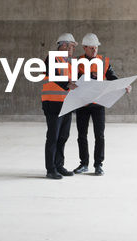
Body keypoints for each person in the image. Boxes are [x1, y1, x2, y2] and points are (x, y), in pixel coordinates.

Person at [71, 32, 125, 176]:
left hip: (98, 104)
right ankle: (84, 164)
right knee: (82, 135)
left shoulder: (103, 61)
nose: (94, 50)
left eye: (96, 47)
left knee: (99, 135)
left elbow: (113, 78)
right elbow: (73, 81)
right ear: (84, 48)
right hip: (82, 104)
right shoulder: (76, 62)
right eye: (91, 48)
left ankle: (98, 165)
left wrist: (124, 85)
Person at [42, 33, 78, 179]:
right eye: (71, 46)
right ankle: (50, 169)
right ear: (63, 45)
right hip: (52, 103)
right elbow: (55, 75)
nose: (73, 49)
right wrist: (68, 84)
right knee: (53, 137)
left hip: (66, 104)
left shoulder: (68, 62)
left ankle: (59, 165)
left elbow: (72, 82)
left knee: (63, 136)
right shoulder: (52, 58)